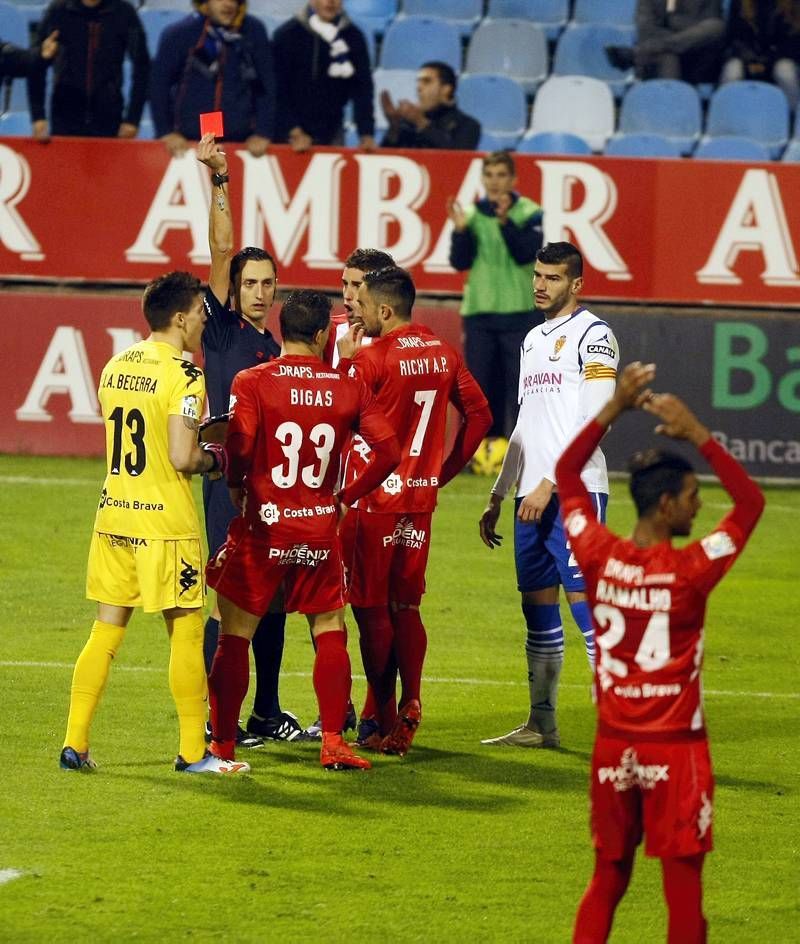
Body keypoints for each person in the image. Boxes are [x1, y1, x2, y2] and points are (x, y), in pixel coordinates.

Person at [557, 362, 765, 944]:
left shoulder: (597, 553)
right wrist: (698, 433)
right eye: (693, 496)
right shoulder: (692, 571)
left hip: (613, 749)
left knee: (606, 880)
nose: (699, 505)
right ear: (668, 504)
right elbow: (749, 506)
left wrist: (613, 408)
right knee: (684, 898)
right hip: (676, 754)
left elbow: (568, 474)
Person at [60, 271, 249, 776]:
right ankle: (193, 752)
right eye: (201, 313)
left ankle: (74, 743)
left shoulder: (115, 365)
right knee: (186, 633)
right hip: (166, 524)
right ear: (181, 317)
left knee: (105, 631)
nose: (205, 322)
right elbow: (182, 457)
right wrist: (219, 458)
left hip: (115, 516)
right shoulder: (185, 377)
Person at [205, 289, 401, 770]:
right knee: (329, 628)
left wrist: (234, 485)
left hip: (264, 528)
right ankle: (333, 740)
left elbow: (243, 445)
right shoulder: (346, 386)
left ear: (282, 329)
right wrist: (345, 497)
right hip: (317, 529)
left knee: (235, 635)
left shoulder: (252, 381)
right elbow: (390, 451)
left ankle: (223, 746)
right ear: (320, 335)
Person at [338, 266, 492, 755]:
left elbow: (337, 410)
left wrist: (345, 363)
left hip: (374, 500)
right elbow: (481, 414)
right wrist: (442, 472)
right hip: (420, 501)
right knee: (406, 605)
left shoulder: (372, 358)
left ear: (385, 309)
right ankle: (413, 700)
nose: (354, 314)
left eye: (361, 306)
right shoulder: (442, 352)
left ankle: (384, 723)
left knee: (369, 609)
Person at [479, 241, 619, 749]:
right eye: (537, 275)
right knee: (537, 608)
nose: (540, 284)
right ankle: (542, 723)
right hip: (528, 498)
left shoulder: (594, 335)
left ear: (576, 284)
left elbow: (596, 420)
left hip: (574, 492)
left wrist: (551, 482)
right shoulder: (533, 340)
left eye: (553, 278)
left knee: (587, 608)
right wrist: (500, 492)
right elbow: (525, 426)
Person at [196, 133, 303, 745]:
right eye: (252, 282)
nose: (262, 292)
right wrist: (220, 180)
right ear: (233, 289)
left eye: (270, 283)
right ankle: (219, 717)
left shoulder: (277, 347)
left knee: (276, 597)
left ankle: (265, 711)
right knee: (226, 600)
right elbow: (221, 245)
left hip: (272, 490)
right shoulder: (220, 330)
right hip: (226, 487)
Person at [447, 150, 544, 476]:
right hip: (480, 314)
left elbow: (524, 254)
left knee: (520, 390)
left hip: (520, 313)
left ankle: (519, 458)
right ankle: (477, 457)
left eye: (501, 175)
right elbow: (460, 262)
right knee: (480, 393)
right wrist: (460, 232)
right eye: (489, 176)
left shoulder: (529, 212)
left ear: (513, 179)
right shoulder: (471, 215)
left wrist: (505, 222)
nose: (495, 182)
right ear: (483, 179)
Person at [150, 0, 274, 159]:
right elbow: (158, 86)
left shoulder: (254, 31)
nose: (228, 5)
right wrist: (165, 132)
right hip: (188, 142)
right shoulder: (180, 33)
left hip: (241, 142)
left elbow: (266, 85)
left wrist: (263, 132)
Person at [28, 0, 149, 140]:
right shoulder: (58, 11)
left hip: (109, 118)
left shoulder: (124, 12)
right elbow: (36, 63)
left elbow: (142, 67)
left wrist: (133, 119)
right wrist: (38, 116)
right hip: (64, 116)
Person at [272, 0, 375, 152]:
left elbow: (362, 89)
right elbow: (276, 90)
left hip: (332, 131)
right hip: (288, 134)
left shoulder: (354, 37)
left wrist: (366, 133)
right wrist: (293, 130)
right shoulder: (287, 35)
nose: (331, 1)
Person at [606, 0, 725, 84]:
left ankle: (636, 54)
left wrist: (674, 23)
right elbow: (646, 31)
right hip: (659, 59)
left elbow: (710, 27)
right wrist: (683, 36)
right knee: (669, 58)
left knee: (717, 27)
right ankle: (669, 117)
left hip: (697, 59)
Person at [381, 60, 481, 151]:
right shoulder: (407, 123)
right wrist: (394, 127)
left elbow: (458, 159)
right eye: (418, 82)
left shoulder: (468, 125)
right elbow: (384, 162)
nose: (419, 87)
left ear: (446, 89)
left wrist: (421, 123)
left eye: (426, 81)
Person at [721, 0, 800, 111]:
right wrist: (751, 60)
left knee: (785, 73)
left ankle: (793, 118)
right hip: (747, 58)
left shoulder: (793, 4)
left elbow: (793, 41)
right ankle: (724, 114)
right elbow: (735, 38)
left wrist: (767, 62)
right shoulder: (740, 3)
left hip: (780, 58)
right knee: (732, 71)